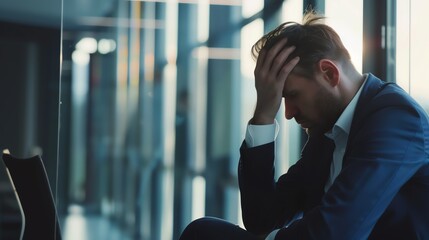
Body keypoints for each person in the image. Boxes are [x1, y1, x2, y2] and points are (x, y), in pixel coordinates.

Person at [179, 10, 429, 240]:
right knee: (203, 232)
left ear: (329, 74)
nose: (287, 113)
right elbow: (261, 218)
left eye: (292, 95)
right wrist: (264, 114)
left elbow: (336, 232)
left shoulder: (397, 118)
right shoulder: (328, 132)